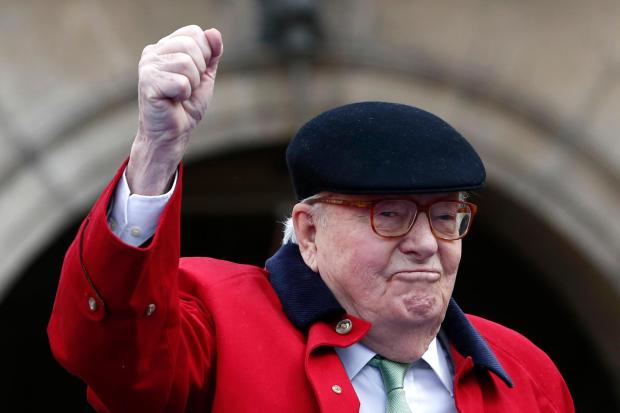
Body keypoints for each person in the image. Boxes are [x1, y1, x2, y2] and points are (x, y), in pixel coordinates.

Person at [48, 25, 574, 413]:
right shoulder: (215, 322)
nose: (424, 243)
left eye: (444, 216)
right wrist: (156, 150)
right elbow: (113, 350)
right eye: (389, 215)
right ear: (309, 231)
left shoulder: (528, 374)